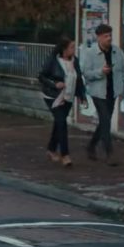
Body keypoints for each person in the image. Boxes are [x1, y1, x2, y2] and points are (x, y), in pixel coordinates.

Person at [82, 24, 124, 166]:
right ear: (98, 37)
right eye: (105, 36)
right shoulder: (90, 53)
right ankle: (109, 153)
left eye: (110, 35)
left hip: (112, 92)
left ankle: (91, 146)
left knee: (104, 121)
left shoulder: (116, 51)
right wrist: (100, 72)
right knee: (106, 121)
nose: (109, 38)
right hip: (98, 92)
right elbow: (86, 73)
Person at [38, 36, 87, 167]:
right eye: (71, 47)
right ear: (64, 49)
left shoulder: (74, 60)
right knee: (62, 123)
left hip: (68, 97)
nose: (74, 49)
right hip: (53, 97)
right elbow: (41, 76)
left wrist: (82, 96)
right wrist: (55, 84)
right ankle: (65, 155)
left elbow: (79, 79)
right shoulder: (53, 60)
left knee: (59, 122)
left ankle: (51, 149)